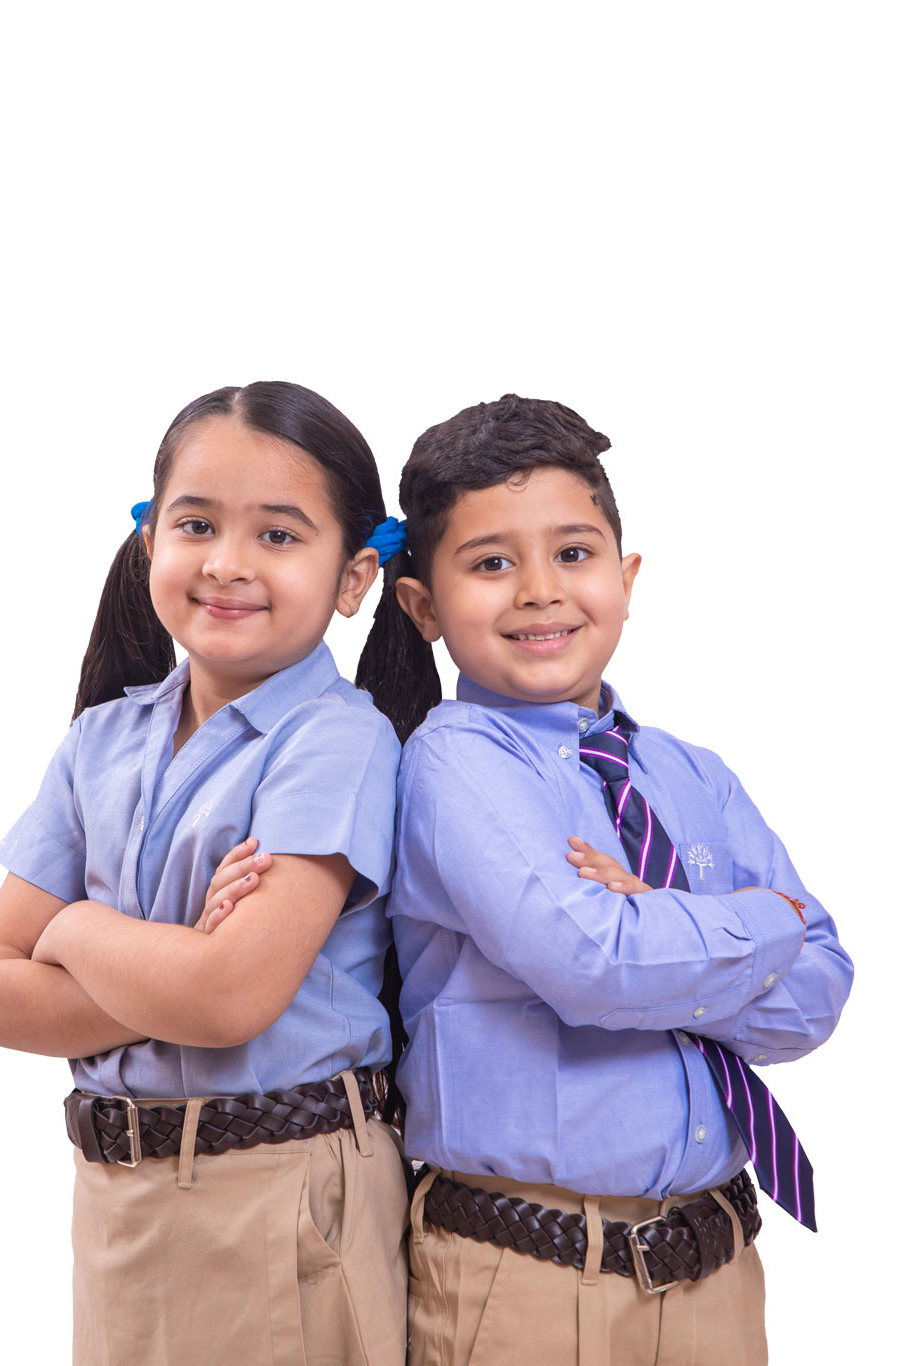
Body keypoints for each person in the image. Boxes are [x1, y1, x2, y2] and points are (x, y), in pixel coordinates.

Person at [357, 394, 853, 1366]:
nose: (540, 591)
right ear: (423, 606)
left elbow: (819, 993)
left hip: (715, 1268)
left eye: (574, 553)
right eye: (491, 563)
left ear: (626, 578)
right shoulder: (455, 763)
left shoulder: (693, 773)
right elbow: (595, 965)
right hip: (533, 1280)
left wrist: (662, 927)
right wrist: (760, 920)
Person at [0, 382, 410, 1366]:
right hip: (118, 1207)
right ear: (149, 540)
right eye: (197, 524)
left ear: (353, 576)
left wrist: (74, 931)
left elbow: (228, 998)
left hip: (282, 1197)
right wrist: (174, 962)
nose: (226, 563)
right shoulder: (98, 742)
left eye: (278, 535)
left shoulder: (337, 741)